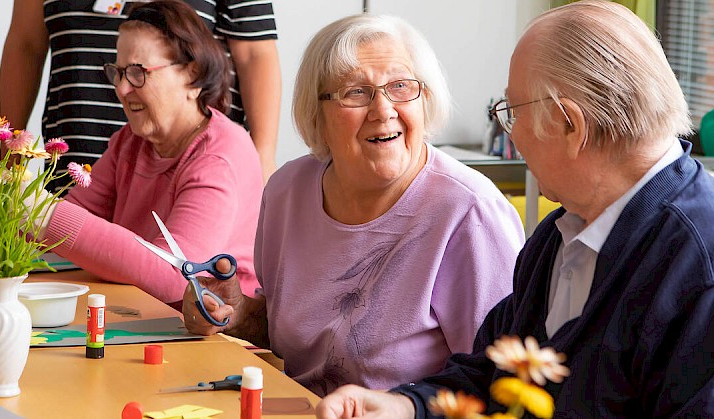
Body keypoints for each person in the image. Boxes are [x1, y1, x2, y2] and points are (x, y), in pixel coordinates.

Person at [315, 1, 714, 417]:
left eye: (512, 112)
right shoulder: (562, 235)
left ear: (569, 124)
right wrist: (404, 406)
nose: (513, 135)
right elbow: (491, 375)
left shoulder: (713, 276)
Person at [182, 14, 526, 397]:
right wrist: (238, 314)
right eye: (356, 92)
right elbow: (300, 339)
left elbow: (499, 386)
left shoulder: (470, 212)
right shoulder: (287, 192)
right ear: (317, 113)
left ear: (425, 99)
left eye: (400, 86)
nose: (383, 110)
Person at [32, 1, 263, 306]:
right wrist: (18, 209)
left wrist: (41, 213)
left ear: (192, 75)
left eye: (137, 72)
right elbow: (57, 237)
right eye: (119, 72)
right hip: (143, 313)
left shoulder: (219, 155)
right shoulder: (129, 142)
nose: (122, 89)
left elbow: (177, 276)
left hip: (215, 329)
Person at [0, 0, 281, 186]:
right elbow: (25, 45)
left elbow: (254, 55)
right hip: (74, 165)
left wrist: (262, 159)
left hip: (190, 172)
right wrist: (8, 159)